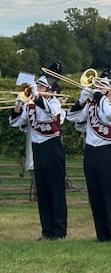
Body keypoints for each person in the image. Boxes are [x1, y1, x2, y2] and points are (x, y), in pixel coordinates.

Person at [67, 77, 111, 241]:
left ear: (109, 91)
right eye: (96, 87)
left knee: (110, 193)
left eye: (101, 87)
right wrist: (81, 100)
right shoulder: (90, 107)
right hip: (91, 152)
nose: (97, 90)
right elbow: (72, 118)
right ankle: (101, 234)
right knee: (95, 194)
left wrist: (100, 97)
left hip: (107, 151)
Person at [9, 75, 68, 240]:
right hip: (38, 149)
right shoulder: (30, 106)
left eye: (42, 87)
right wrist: (19, 105)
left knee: (56, 190)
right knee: (42, 191)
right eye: (38, 86)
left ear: (49, 90)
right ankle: (46, 231)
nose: (39, 89)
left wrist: (37, 98)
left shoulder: (55, 102)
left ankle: (59, 231)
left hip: (52, 148)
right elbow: (15, 122)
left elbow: (52, 114)